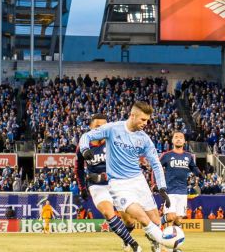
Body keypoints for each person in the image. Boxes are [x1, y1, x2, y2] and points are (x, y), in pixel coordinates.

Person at [80, 101, 179, 250]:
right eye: (143, 119)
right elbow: (86, 136)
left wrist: (162, 187)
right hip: (119, 184)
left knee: (155, 220)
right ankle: (170, 245)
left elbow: (156, 164)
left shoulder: (144, 139)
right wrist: (85, 150)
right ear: (132, 115)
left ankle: (156, 244)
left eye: (148, 120)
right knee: (142, 218)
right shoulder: (113, 128)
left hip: (139, 181)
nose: (146, 123)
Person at [77, 113, 140, 251]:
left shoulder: (114, 141)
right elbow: (79, 169)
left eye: (104, 126)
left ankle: (125, 239)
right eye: (97, 126)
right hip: (97, 186)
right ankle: (134, 244)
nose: (101, 129)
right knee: (108, 213)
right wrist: (82, 188)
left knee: (129, 221)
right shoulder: (83, 145)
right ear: (90, 127)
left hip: (117, 183)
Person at [159, 131, 202, 228]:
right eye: (176, 137)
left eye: (181, 137)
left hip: (182, 191)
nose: (178, 139)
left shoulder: (188, 156)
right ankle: (156, 225)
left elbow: (194, 168)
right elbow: (156, 168)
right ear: (172, 140)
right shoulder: (166, 155)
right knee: (170, 217)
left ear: (184, 141)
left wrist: (200, 175)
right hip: (170, 191)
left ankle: (172, 240)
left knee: (178, 220)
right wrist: (156, 184)